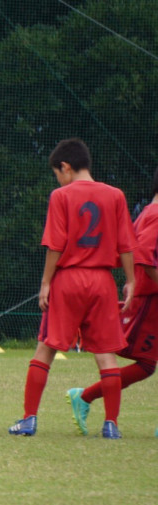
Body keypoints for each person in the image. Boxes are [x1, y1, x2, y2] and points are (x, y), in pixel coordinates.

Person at [8, 138, 135, 439]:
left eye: (57, 173)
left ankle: (29, 419)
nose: (58, 179)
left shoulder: (61, 196)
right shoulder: (115, 195)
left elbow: (55, 243)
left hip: (68, 278)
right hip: (103, 280)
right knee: (106, 355)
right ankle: (111, 424)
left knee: (46, 348)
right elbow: (126, 244)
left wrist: (46, 283)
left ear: (65, 167)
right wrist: (130, 281)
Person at [66, 166, 158, 435]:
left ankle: (85, 396)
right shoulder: (155, 214)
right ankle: (85, 397)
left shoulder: (148, 213)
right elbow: (141, 254)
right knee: (142, 362)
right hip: (149, 300)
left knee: (145, 363)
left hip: (146, 297)